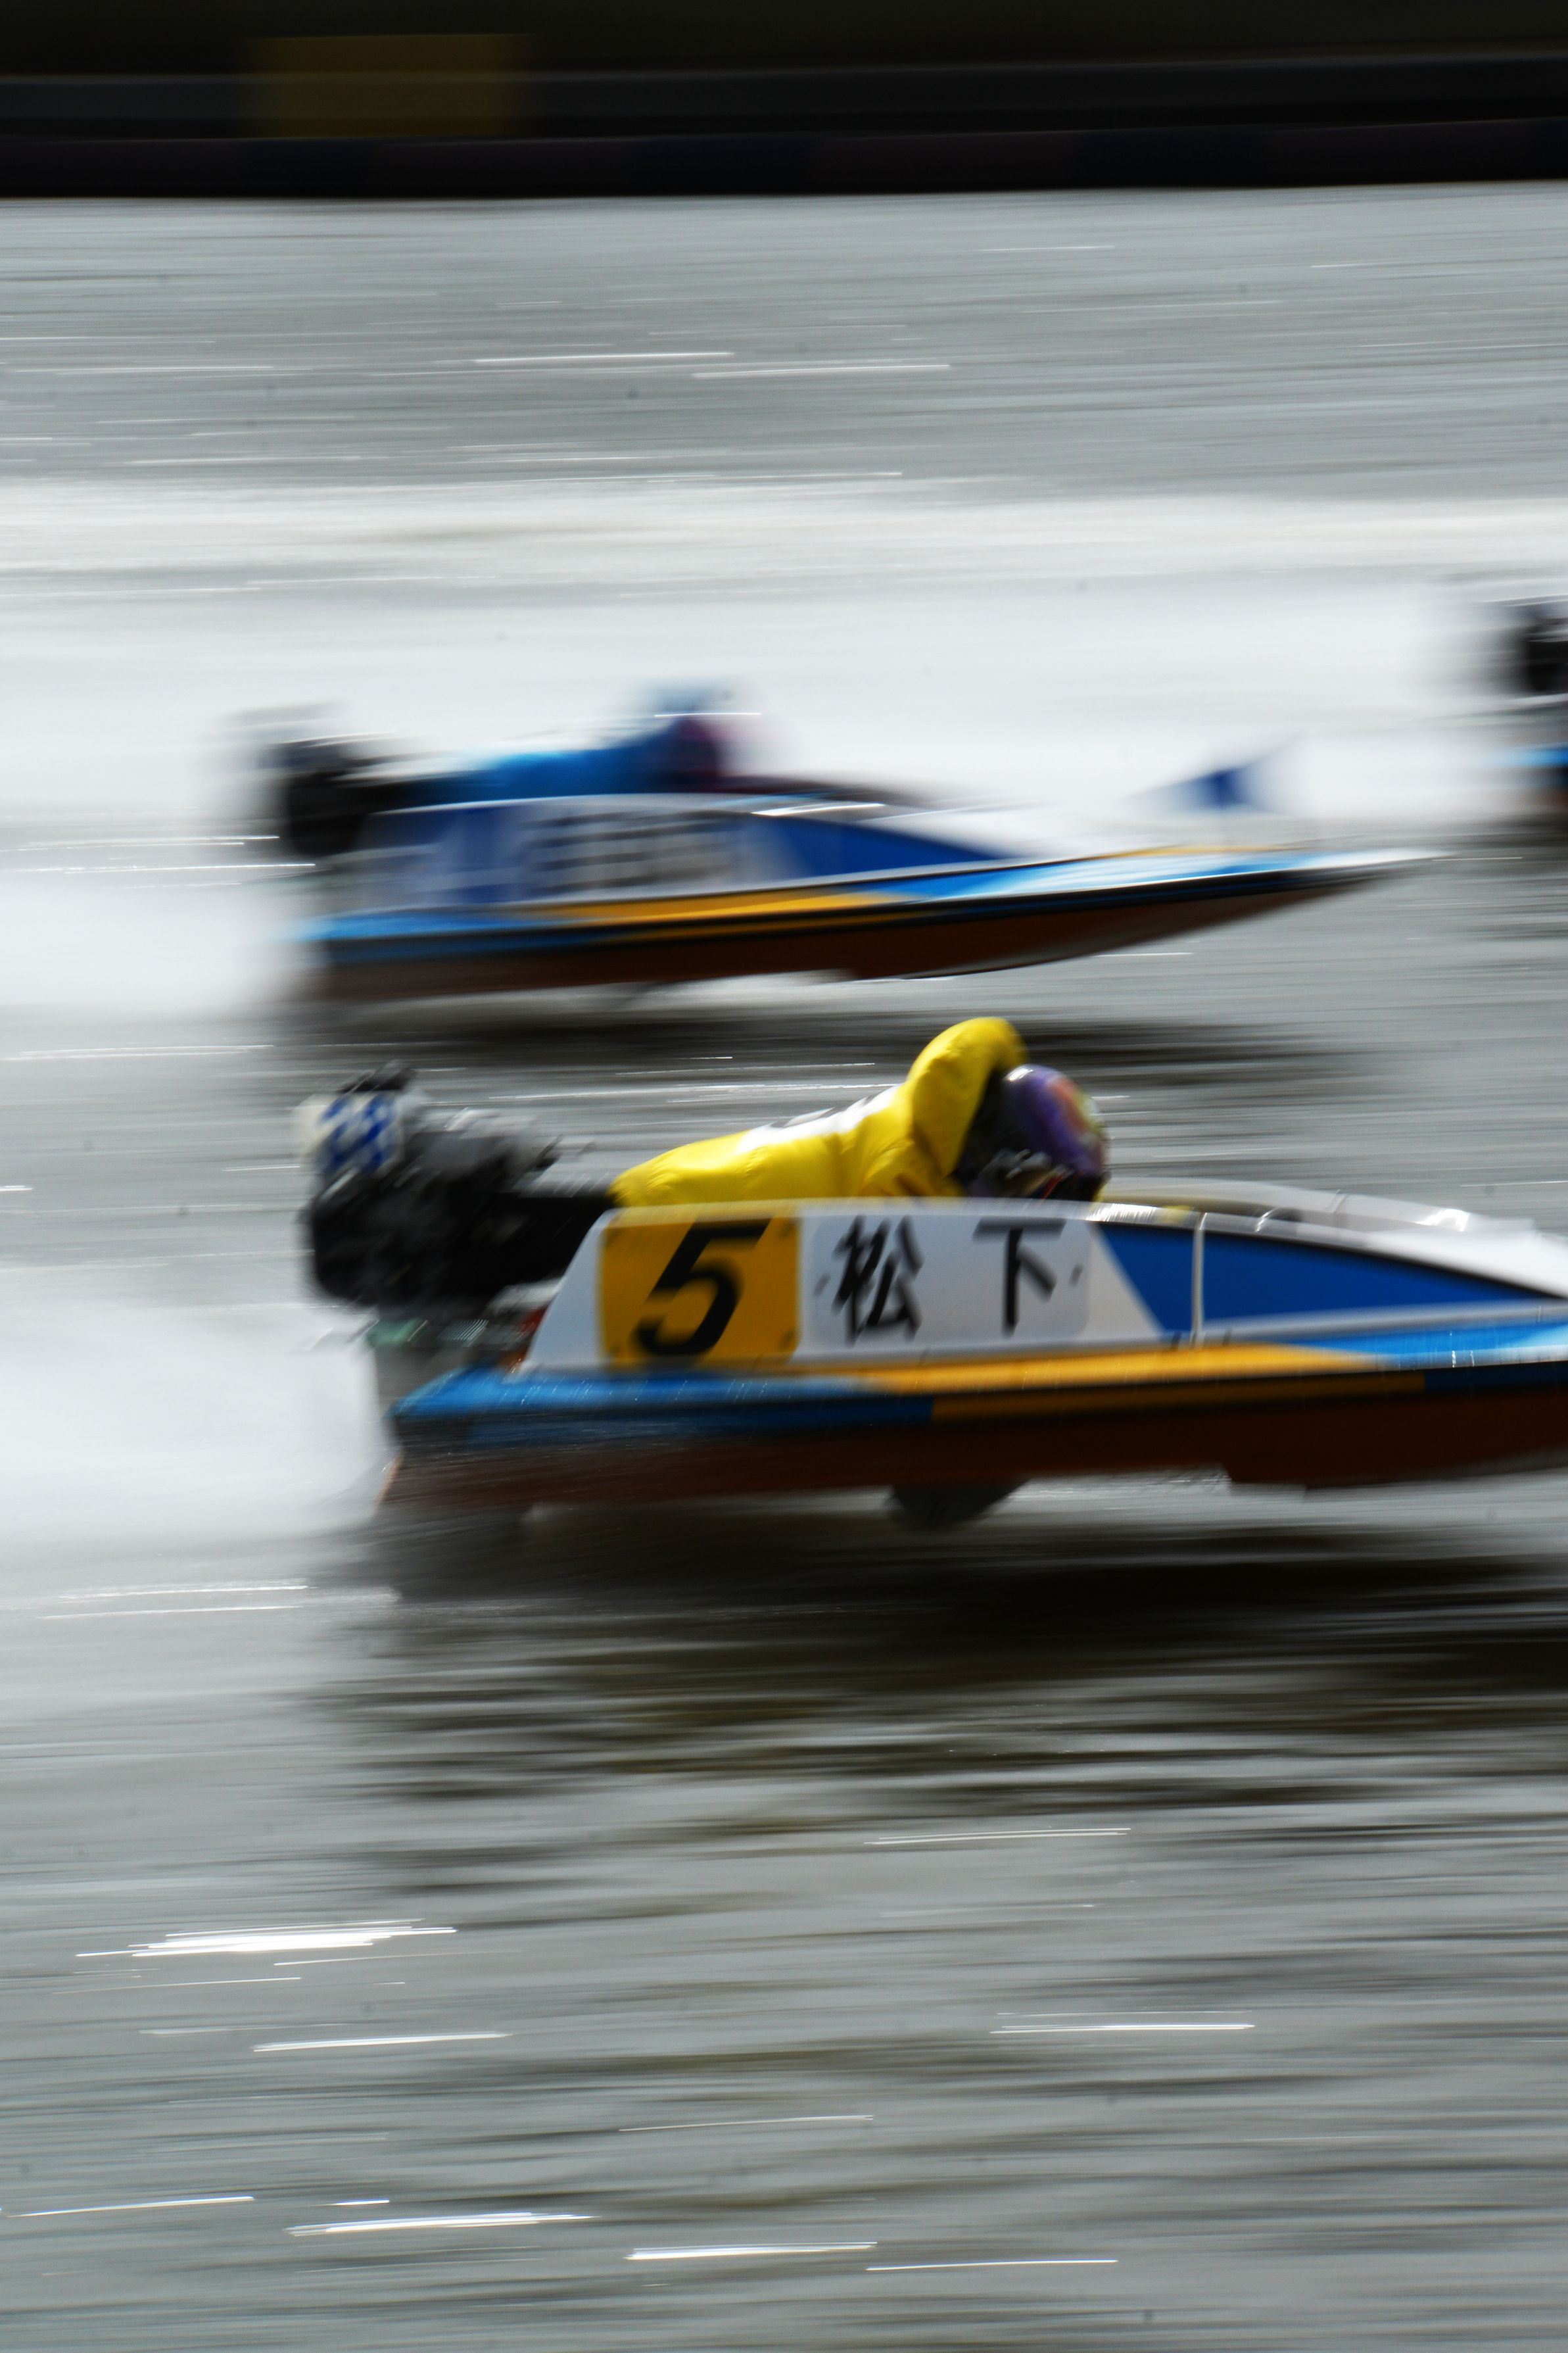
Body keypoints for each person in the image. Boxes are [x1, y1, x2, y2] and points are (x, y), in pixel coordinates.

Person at [307, 1019, 1109, 1312]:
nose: (1054, 1211)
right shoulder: (908, 1178)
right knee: (514, 1249)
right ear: (999, 1155)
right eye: (1045, 1188)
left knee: (538, 1245)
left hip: (693, 1206)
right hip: (670, 1221)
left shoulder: (931, 1132)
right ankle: (397, 1222)